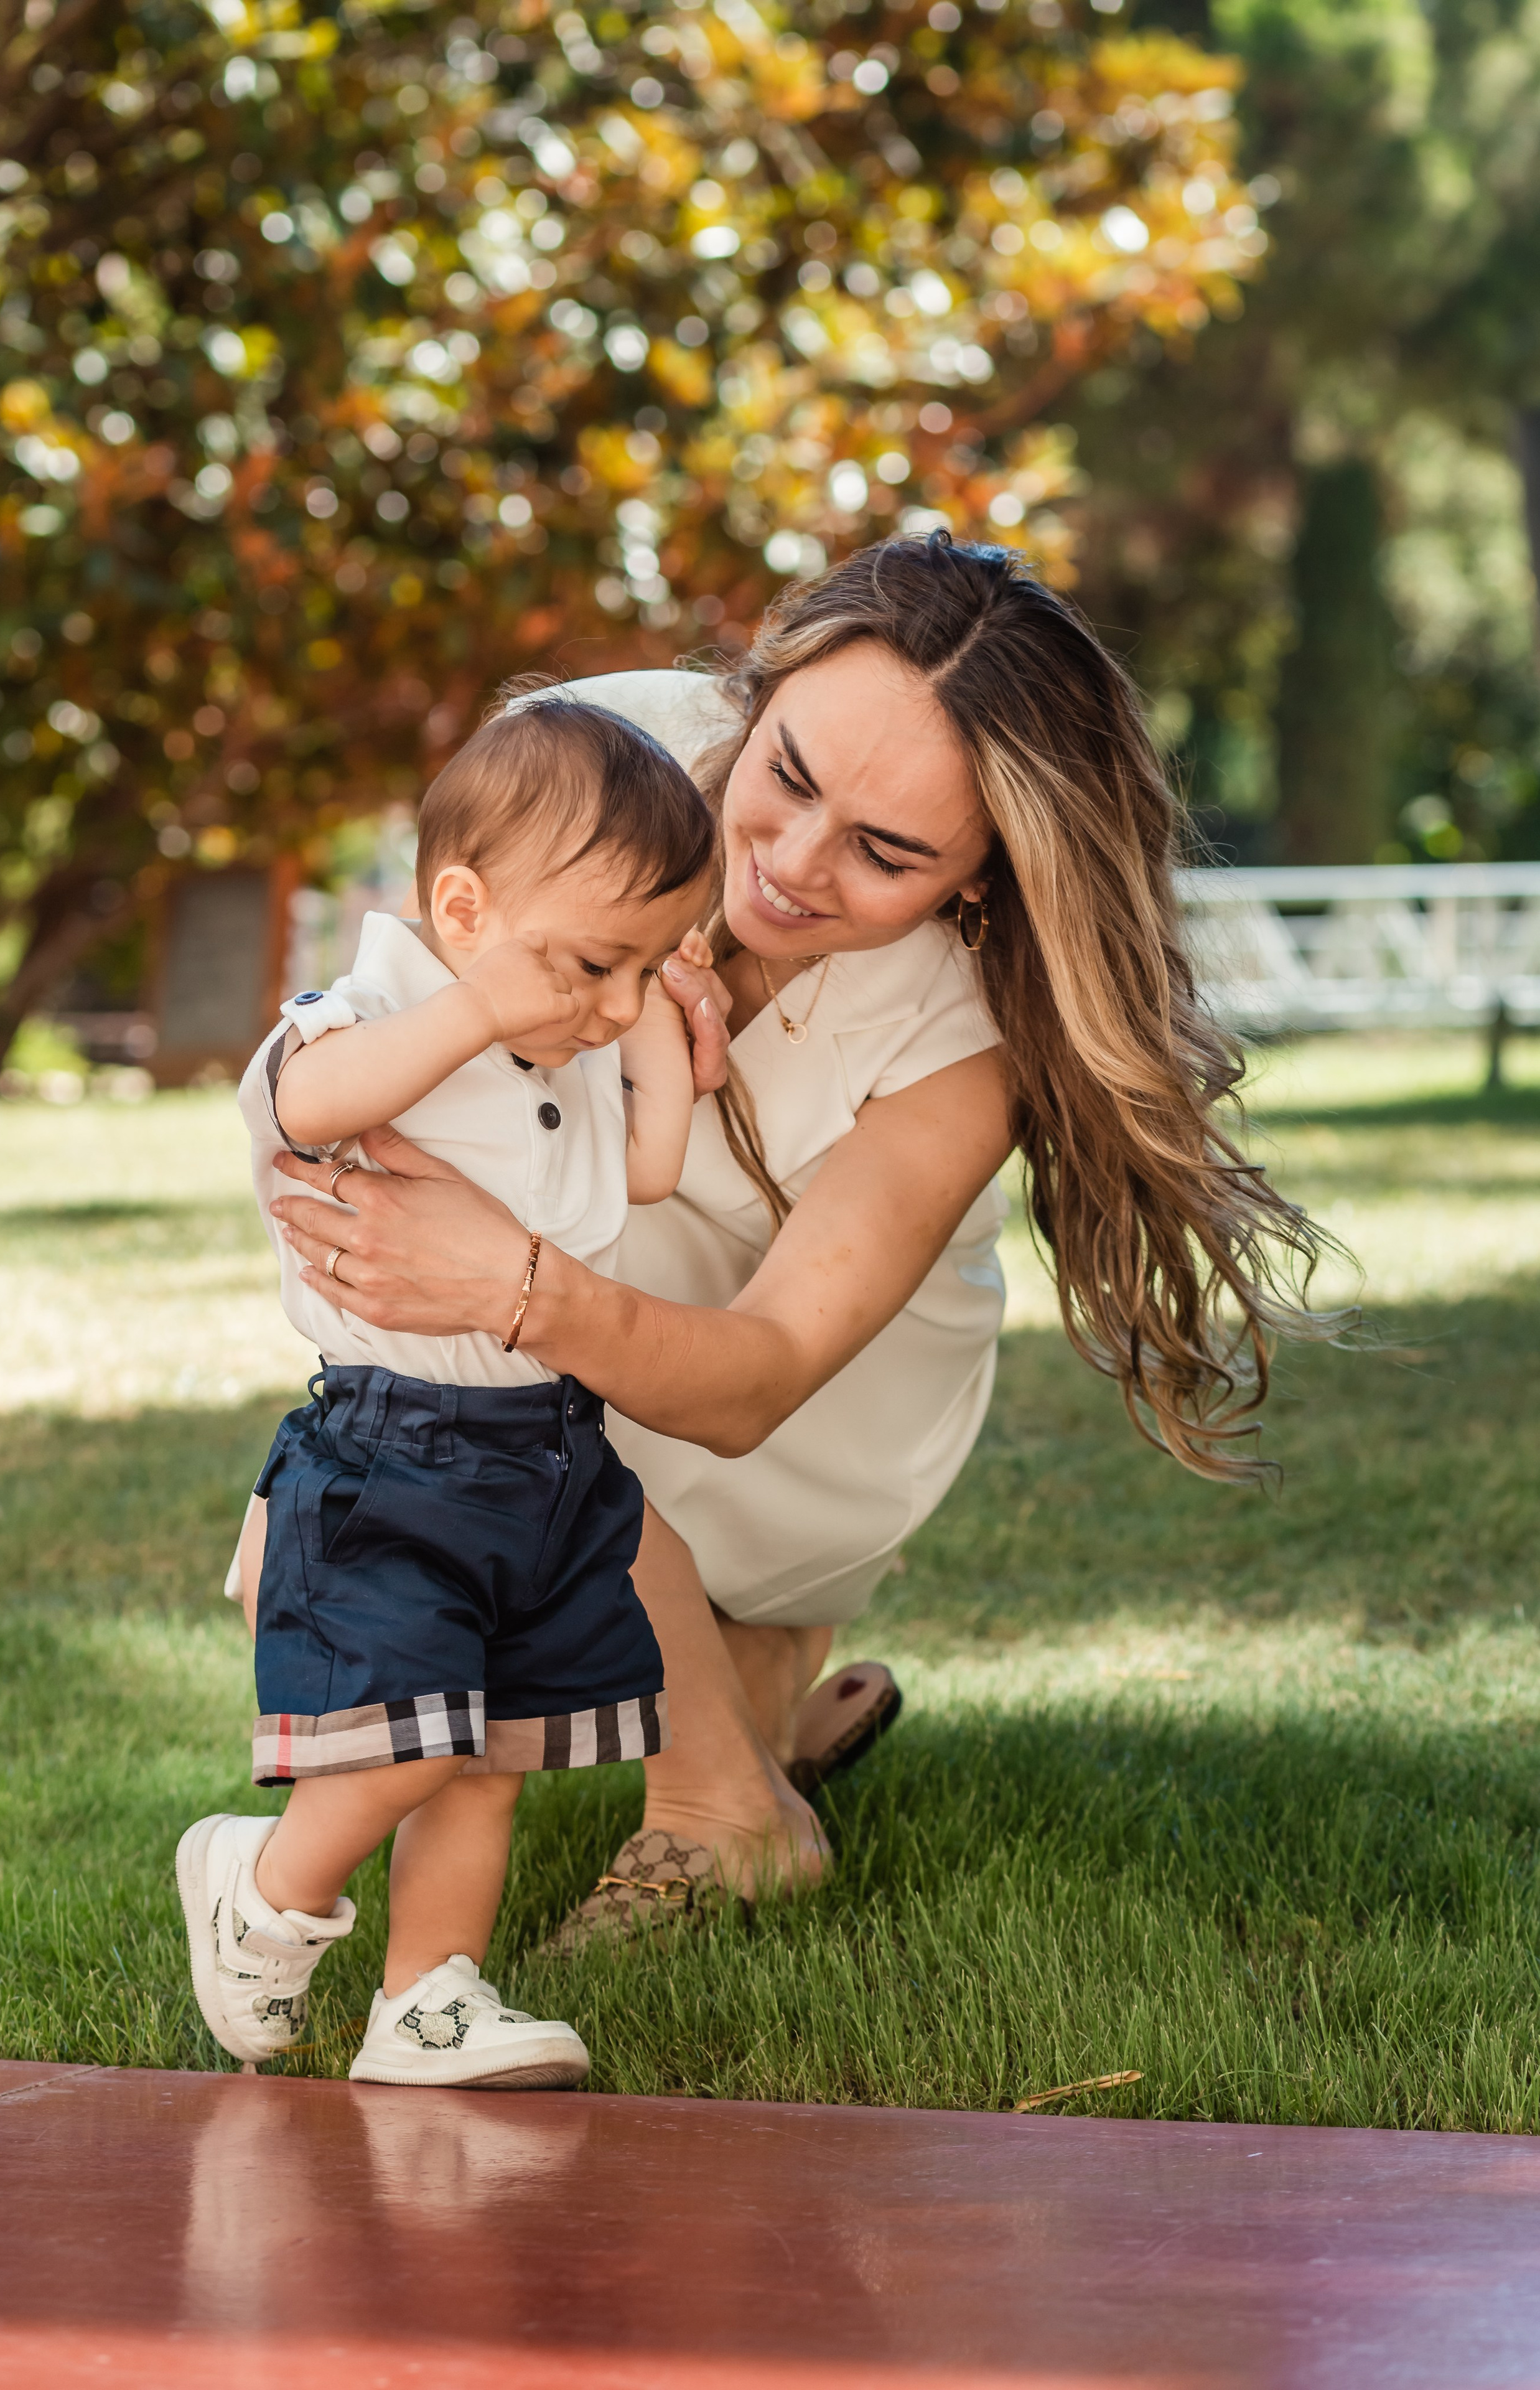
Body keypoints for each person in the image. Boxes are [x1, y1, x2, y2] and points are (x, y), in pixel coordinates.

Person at [257, 533, 1324, 1947]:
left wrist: (511, 1286)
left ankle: (725, 1807)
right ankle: (750, 1687)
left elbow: (758, 1376)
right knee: (409, 1426)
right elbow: (405, 1048)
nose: (791, 867)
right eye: (789, 777)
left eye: (886, 853)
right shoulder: (587, 762)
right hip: (611, 1254)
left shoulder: (965, 1040)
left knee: (524, 1402)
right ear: (756, 700)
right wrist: (632, 1001)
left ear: (979, 881)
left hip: (816, 1394)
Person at [177, 698, 714, 2079]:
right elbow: (304, 1105)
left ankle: (428, 1999)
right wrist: (476, 1010)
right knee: (412, 1746)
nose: (613, 1004)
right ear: (465, 912)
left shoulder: (576, 1050)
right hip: (392, 1451)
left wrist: (662, 1018)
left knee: (489, 1761)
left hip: (548, 1451)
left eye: (643, 967)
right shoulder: (370, 1015)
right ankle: (263, 1890)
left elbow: (648, 1171)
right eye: (594, 964)